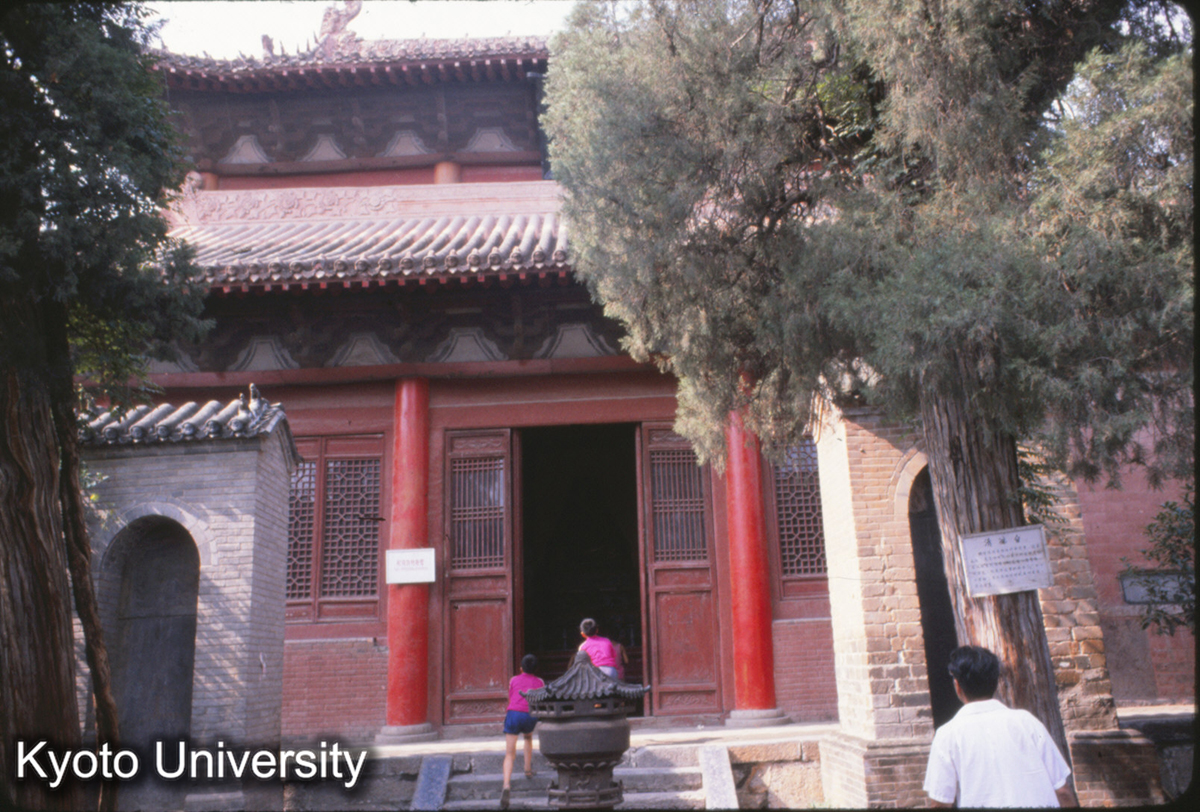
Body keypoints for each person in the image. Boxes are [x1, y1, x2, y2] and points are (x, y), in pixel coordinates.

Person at [924, 645, 1079, 808]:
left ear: (957, 686)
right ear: (995, 682)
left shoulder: (947, 734)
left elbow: (940, 803)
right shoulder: (1027, 722)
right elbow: (1062, 792)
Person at [501, 654, 544, 809]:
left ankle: (506, 785)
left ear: (521, 668)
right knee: (528, 738)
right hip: (530, 715)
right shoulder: (540, 682)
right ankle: (528, 770)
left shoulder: (513, 680)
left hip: (514, 713)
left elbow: (511, 696)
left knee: (509, 754)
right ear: (536, 669)